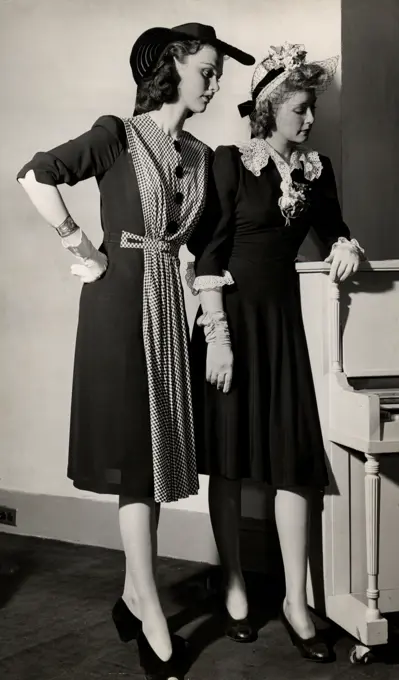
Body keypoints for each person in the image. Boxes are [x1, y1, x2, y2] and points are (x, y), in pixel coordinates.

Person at [17, 23, 254, 680]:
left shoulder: (202, 155)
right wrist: (79, 247)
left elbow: (207, 245)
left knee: (153, 460)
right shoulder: (117, 134)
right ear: (172, 64)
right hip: (118, 302)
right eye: (206, 69)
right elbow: (37, 174)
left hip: (165, 306)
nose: (213, 82)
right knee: (132, 454)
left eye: (216, 73)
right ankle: (149, 610)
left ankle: (130, 593)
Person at [188, 43, 365, 662]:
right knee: (230, 459)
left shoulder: (317, 171)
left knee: (293, 461)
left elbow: (335, 228)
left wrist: (345, 245)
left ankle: (295, 599)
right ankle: (234, 585)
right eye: (300, 108)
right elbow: (207, 254)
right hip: (229, 324)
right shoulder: (231, 161)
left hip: (281, 327)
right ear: (269, 110)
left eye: (312, 108)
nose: (310, 119)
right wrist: (218, 340)